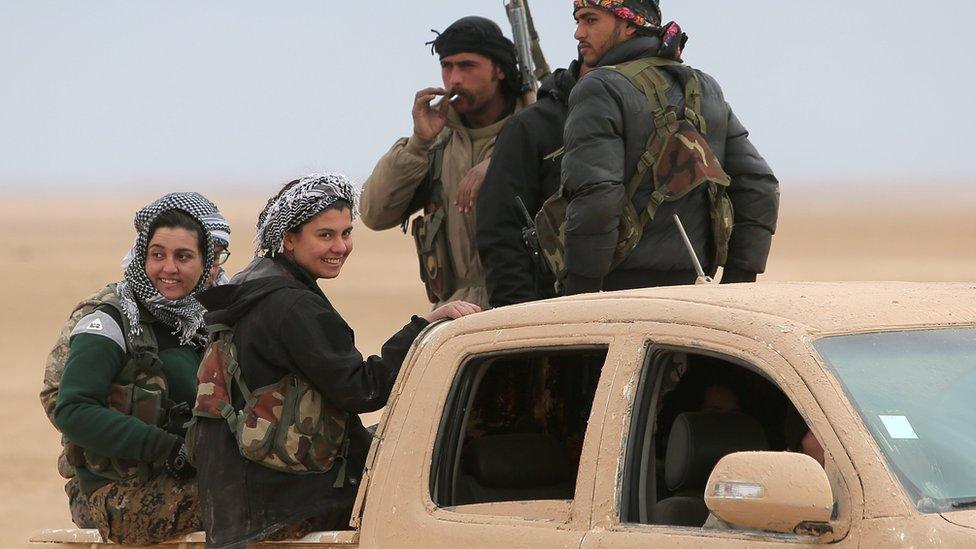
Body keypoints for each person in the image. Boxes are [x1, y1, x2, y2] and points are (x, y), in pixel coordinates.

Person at [192, 174, 480, 548]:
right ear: (289, 238)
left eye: (346, 233)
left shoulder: (254, 285)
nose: (341, 246)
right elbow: (364, 389)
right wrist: (422, 328)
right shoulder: (292, 306)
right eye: (325, 235)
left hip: (243, 500)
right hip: (286, 503)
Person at [560, 0, 779, 294]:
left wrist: (581, 293)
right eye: (578, 21)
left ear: (629, 24)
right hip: (694, 291)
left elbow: (597, 196)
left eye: (590, 20)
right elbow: (759, 184)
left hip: (617, 292)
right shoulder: (703, 86)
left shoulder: (600, 87)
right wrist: (738, 284)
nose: (578, 33)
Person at [41, 192, 231, 529]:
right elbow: (68, 405)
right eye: (158, 255)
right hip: (120, 485)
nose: (169, 268)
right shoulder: (111, 319)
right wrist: (167, 448)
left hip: (183, 474)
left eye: (186, 256)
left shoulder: (207, 322)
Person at [360, 16, 524, 310]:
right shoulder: (437, 143)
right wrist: (418, 144)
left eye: (467, 66)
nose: (454, 79)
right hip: (455, 313)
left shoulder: (536, 132)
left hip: (526, 307)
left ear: (499, 69)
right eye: (447, 66)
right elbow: (374, 213)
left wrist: (501, 165)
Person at [475, 59, 590, 307]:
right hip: (549, 309)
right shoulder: (531, 127)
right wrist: (517, 318)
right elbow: (501, 231)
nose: (579, 34)